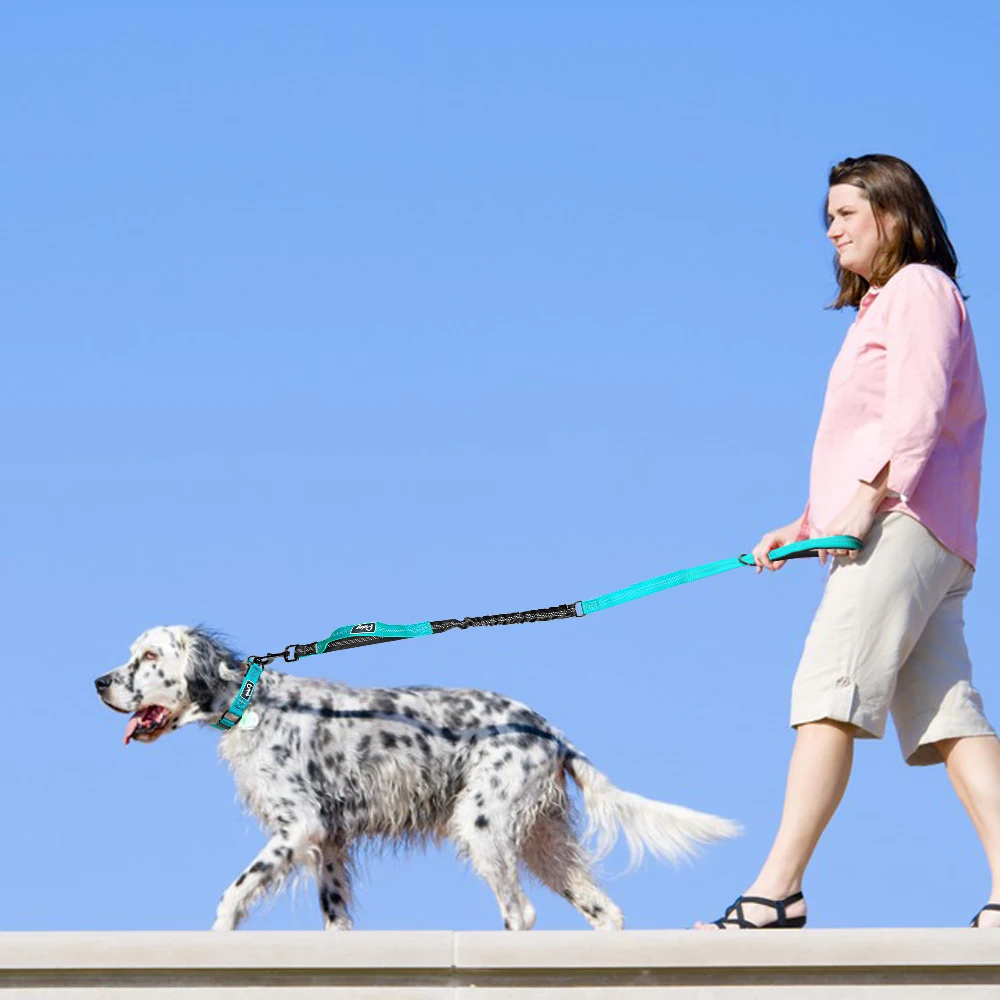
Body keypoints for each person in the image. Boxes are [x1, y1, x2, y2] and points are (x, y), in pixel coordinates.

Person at [696, 154, 1000, 931]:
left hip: (903, 525)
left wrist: (862, 504)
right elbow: (867, 432)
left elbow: (919, 416)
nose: (829, 229)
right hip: (922, 527)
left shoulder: (919, 290)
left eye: (846, 214)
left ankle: (776, 892)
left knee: (827, 695)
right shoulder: (881, 307)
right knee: (948, 717)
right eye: (826, 217)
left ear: (894, 217)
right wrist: (805, 524)